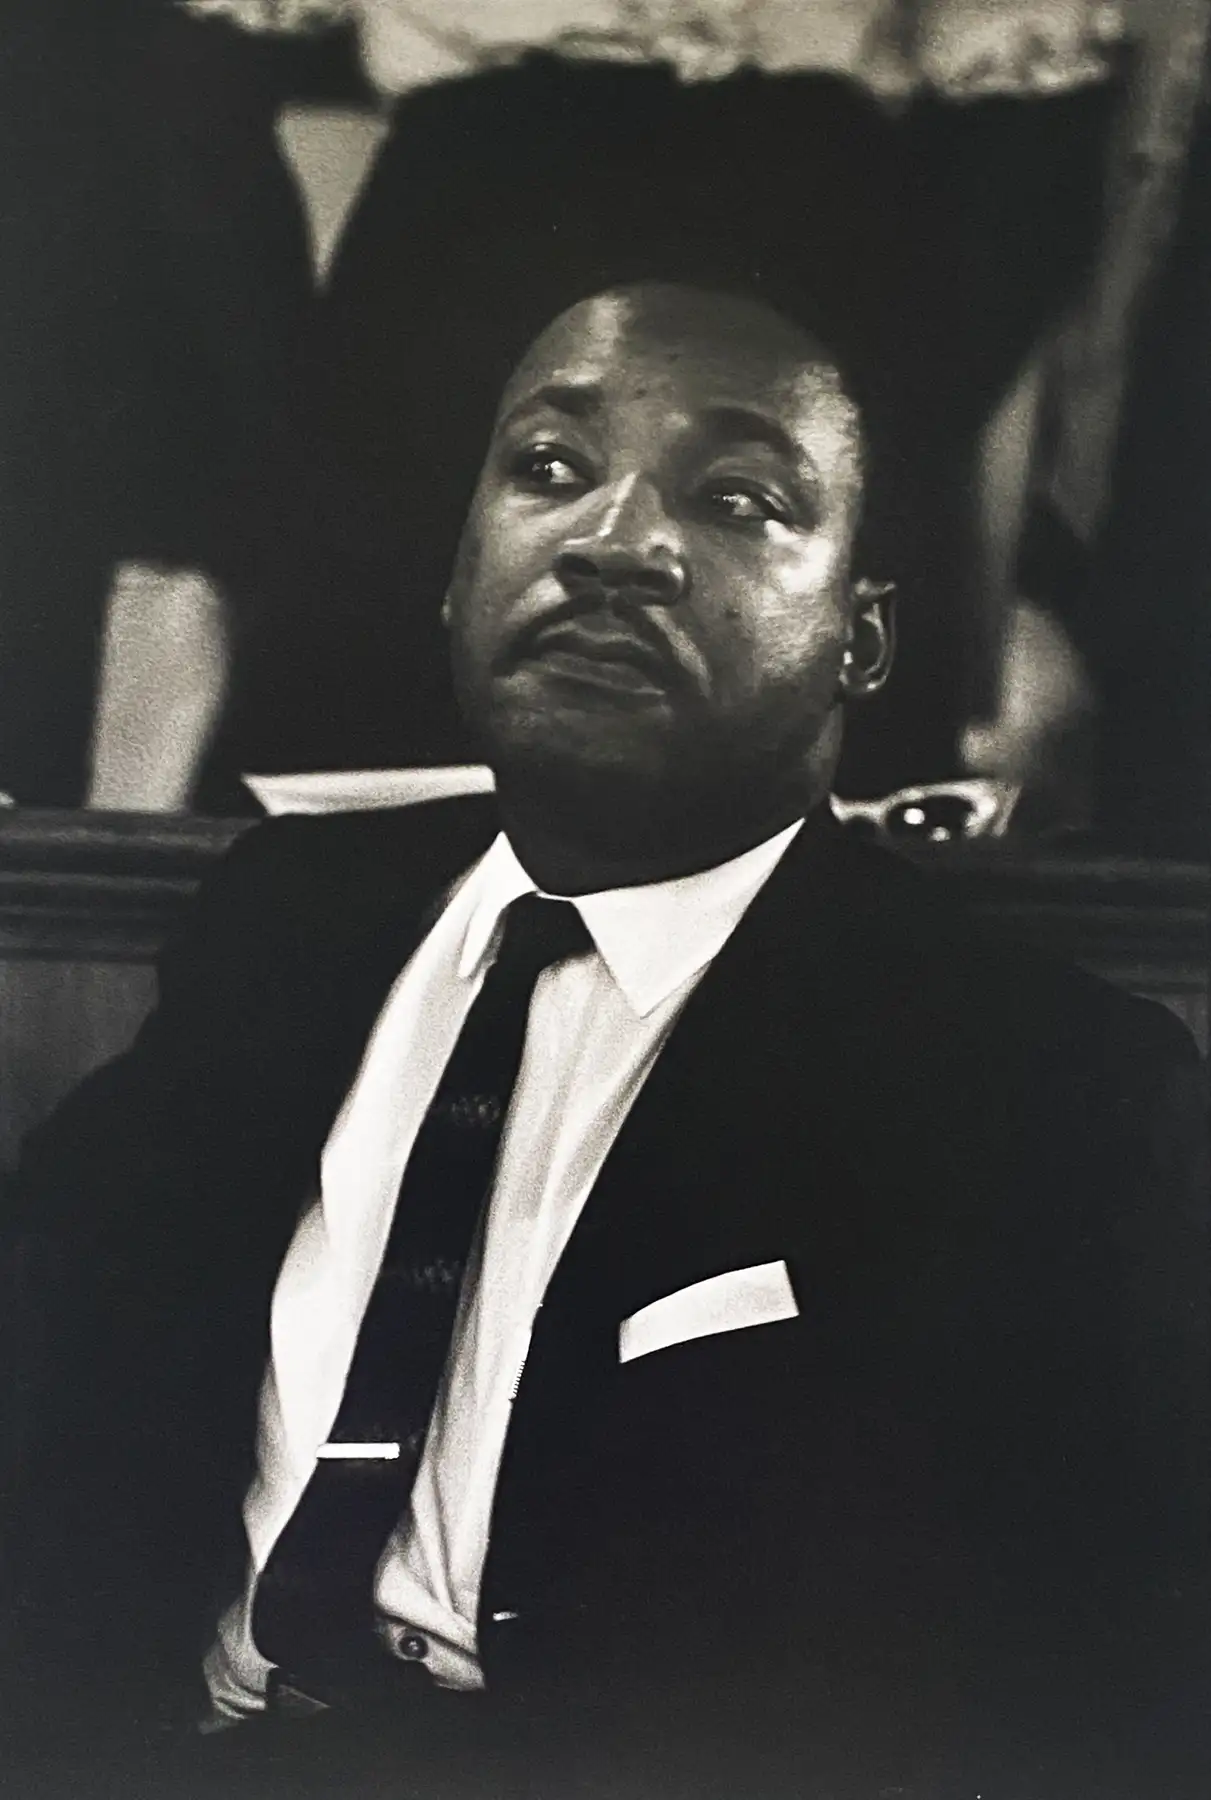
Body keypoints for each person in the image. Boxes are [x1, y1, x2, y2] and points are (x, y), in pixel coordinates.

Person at [3, 276, 1206, 1800]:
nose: (616, 543)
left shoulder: (1044, 1087)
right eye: (550, 470)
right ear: (459, 568)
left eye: (738, 499)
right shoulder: (287, 917)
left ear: (861, 639)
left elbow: (1103, 1681)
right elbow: (52, 1346)